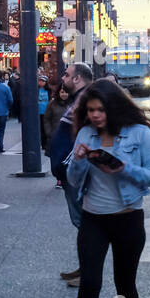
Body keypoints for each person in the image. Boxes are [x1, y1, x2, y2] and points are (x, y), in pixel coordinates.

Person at [63, 79, 150, 298]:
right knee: (90, 283)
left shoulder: (139, 134)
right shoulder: (85, 134)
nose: (95, 116)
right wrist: (79, 160)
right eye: (91, 110)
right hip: (94, 219)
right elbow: (73, 179)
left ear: (114, 107)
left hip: (128, 218)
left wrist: (123, 168)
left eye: (101, 110)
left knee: (124, 284)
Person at [49, 63, 94, 286]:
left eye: (66, 74)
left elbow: (85, 136)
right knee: (80, 222)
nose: (63, 77)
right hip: (69, 168)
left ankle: (87, 272)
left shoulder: (86, 100)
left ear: (77, 79)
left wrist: (68, 164)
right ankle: (83, 269)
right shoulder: (80, 99)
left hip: (73, 170)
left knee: (83, 222)